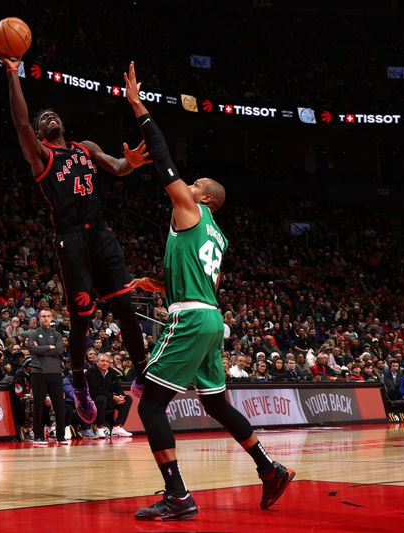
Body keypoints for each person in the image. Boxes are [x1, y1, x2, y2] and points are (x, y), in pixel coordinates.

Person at [123, 62, 293, 520]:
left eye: (194, 185)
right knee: (217, 402)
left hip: (191, 318)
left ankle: (178, 495)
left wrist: (139, 107)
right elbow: (202, 281)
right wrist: (154, 282)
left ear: (205, 199)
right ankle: (269, 467)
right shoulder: (216, 235)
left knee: (152, 405)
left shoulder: (190, 208)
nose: (188, 184)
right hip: (210, 317)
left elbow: (162, 159)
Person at [0, 51, 152, 426]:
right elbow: (19, 122)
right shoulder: (41, 155)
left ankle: (143, 374)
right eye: (41, 119)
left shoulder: (85, 148)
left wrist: (131, 161)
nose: (48, 117)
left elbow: (116, 167)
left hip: (99, 235)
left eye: (52, 114)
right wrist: (13, 74)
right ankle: (80, 383)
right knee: (82, 316)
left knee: (125, 307)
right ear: (38, 133)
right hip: (70, 240)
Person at [27, 309, 68, 445]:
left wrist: (42, 349)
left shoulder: (57, 334)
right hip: (39, 373)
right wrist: (49, 347)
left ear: (52, 318)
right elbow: (32, 349)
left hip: (55, 373)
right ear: (39, 318)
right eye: (43, 316)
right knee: (38, 405)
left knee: (59, 406)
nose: (45, 318)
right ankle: (38, 436)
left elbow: (59, 350)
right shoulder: (33, 334)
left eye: (48, 316)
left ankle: (60, 436)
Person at [86, 352, 133, 438]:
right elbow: (97, 389)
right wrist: (113, 397)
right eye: (102, 361)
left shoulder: (112, 372)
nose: (105, 363)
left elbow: (117, 387)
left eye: (107, 361)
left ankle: (117, 427)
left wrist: (121, 396)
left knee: (128, 399)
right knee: (101, 398)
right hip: (94, 400)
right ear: (97, 362)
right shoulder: (91, 372)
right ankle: (99, 428)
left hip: (109, 399)